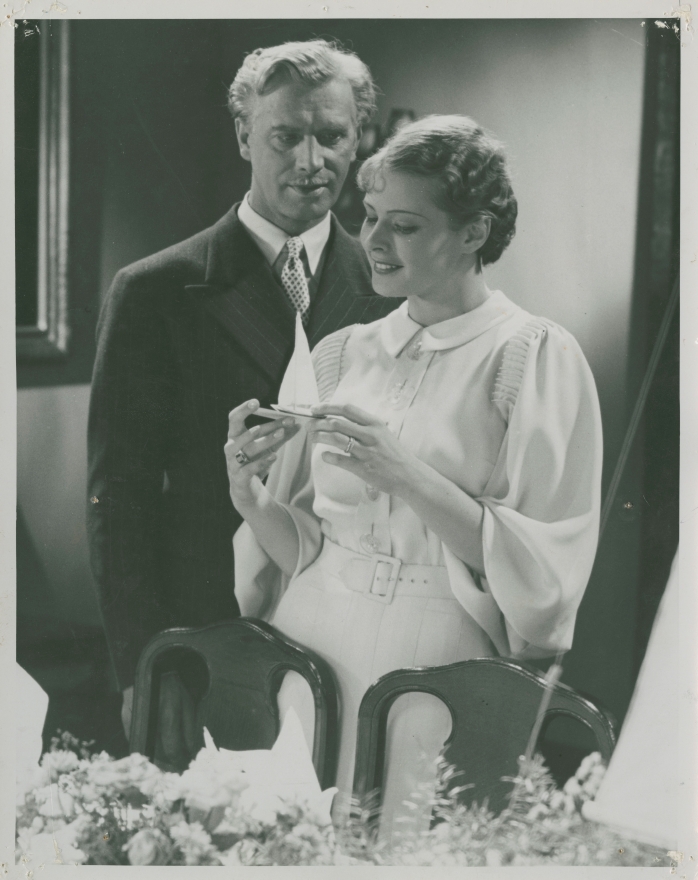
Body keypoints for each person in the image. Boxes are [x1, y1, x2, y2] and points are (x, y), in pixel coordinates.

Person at [225, 115, 603, 839]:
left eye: (402, 225)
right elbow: (304, 549)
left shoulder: (530, 357)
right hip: (310, 639)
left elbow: (543, 574)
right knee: (293, 842)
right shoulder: (341, 353)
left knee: (404, 846)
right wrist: (249, 494)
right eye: (369, 216)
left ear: (473, 232)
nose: (373, 240)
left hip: (437, 657)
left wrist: (407, 476)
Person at [86, 39, 398, 762]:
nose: (311, 161)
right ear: (243, 136)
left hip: (351, 644)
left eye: (332, 136)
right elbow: (120, 497)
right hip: (201, 640)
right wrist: (144, 664)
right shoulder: (155, 291)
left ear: (360, 139)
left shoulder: (394, 293)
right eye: (286, 137)